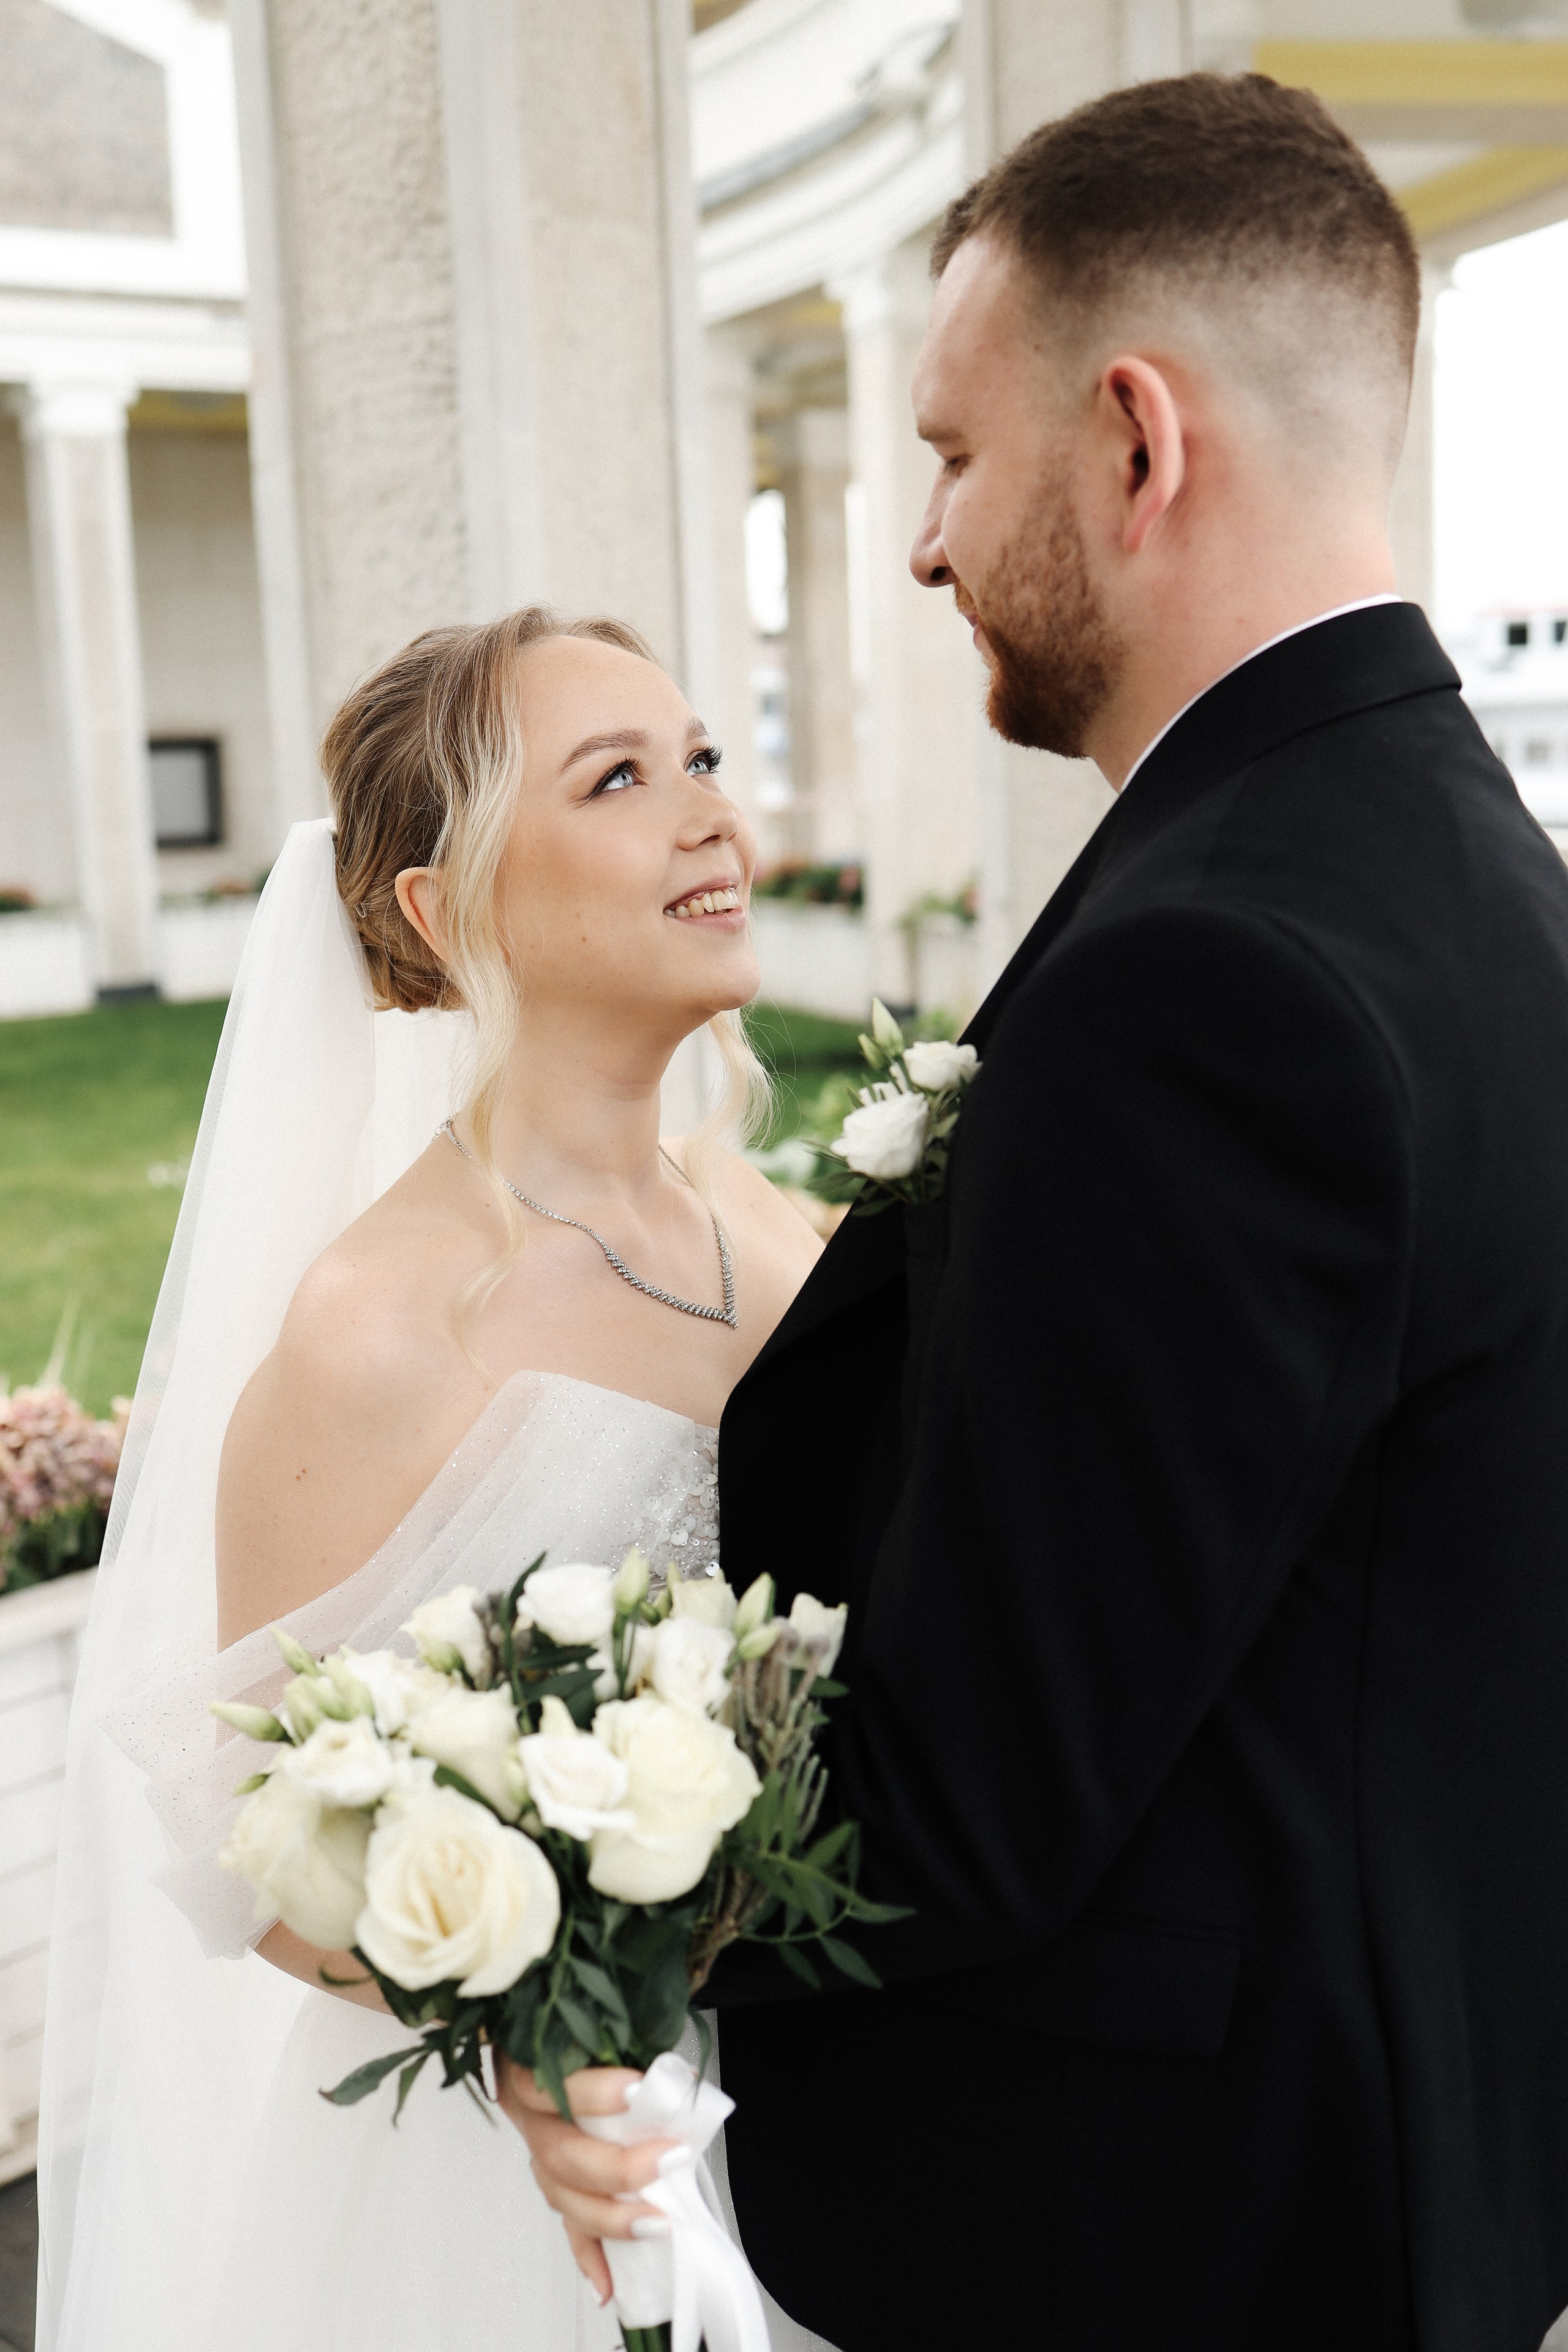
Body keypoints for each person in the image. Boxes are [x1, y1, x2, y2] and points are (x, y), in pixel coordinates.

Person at [510, 72, 1568, 2352]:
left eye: (953, 456)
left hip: (1160, 2240)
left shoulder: (1224, 974)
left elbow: (975, 1799)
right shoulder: (1475, 878)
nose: (919, 543)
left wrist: (547, 1893)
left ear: (1137, 439)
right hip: (1399, 2163)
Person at [34, 608, 820, 2352]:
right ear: (438, 903)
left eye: (700, 756)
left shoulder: (793, 1230)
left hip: (840, 2114)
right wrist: (542, 2021)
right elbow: (270, 1845)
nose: (708, 813)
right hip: (520, 2198)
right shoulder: (376, 1328)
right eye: (619, 778)